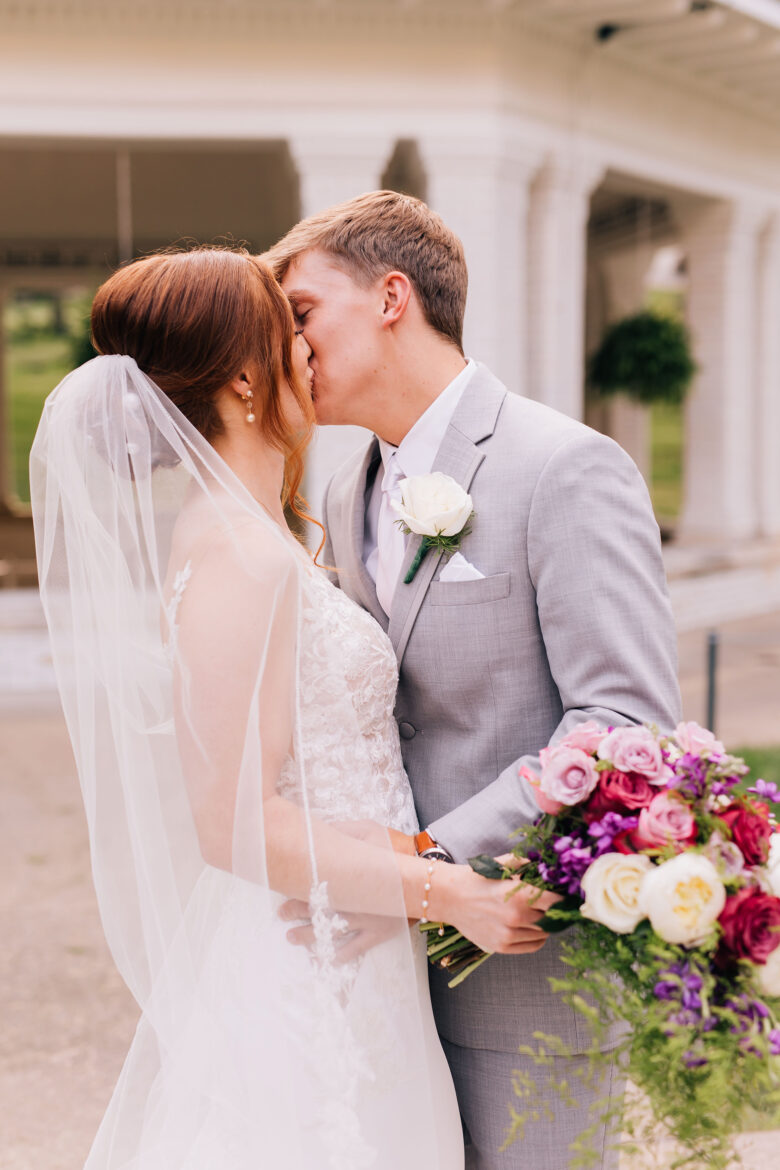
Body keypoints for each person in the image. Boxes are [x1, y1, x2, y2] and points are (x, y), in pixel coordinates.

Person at [30, 245, 557, 1170]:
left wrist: (408, 867)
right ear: (244, 377)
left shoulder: (260, 531)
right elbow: (234, 824)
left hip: (351, 933)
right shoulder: (240, 555)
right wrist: (452, 893)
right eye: (291, 333)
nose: (311, 352)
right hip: (307, 968)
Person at [265, 191, 683, 1170]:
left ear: (391, 297)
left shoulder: (565, 467)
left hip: (526, 979)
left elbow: (622, 723)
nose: (287, 346)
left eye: (300, 313)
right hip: (386, 986)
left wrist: (425, 862)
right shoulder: (343, 487)